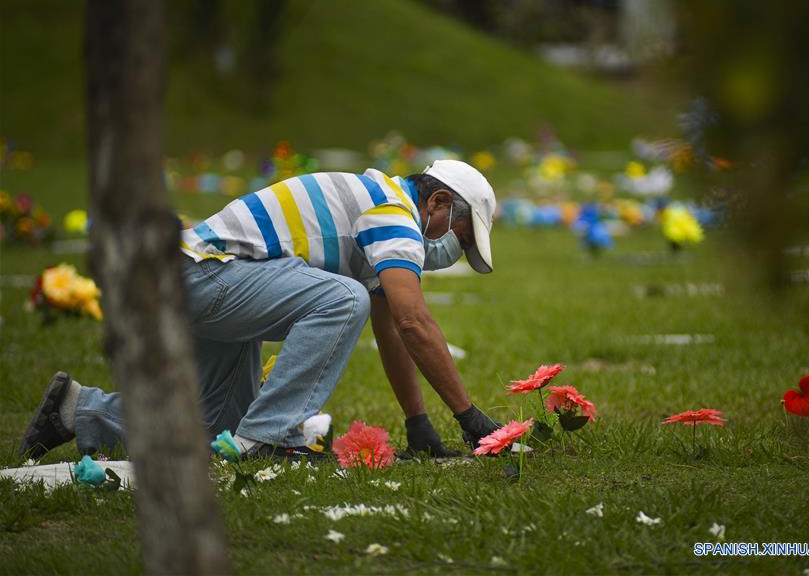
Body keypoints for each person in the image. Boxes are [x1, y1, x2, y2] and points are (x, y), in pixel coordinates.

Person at [20, 160, 502, 461]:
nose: (446, 249)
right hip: (202, 276)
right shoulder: (394, 213)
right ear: (436, 201)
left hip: (193, 279)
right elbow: (413, 321)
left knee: (217, 430)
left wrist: (418, 423)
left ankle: (78, 412)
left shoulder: (380, 204)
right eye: (453, 235)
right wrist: (469, 417)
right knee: (342, 298)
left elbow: (393, 331)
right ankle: (272, 438)